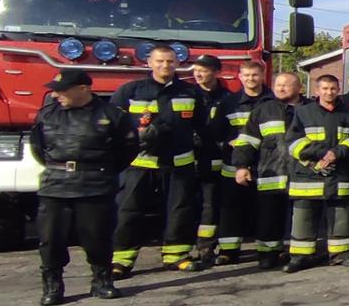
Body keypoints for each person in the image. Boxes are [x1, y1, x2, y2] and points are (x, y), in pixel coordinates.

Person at [29, 70, 139, 304]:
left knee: (97, 237)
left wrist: (100, 171)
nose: (56, 94)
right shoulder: (46, 115)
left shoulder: (111, 115)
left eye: (63, 90)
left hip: (95, 185)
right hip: (55, 185)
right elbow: (38, 149)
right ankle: (52, 285)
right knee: (51, 240)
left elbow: (127, 150)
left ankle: (101, 280)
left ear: (83, 88)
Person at [109, 45, 207, 276]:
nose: (166, 66)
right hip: (140, 163)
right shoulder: (130, 91)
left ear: (178, 64)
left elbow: (200, 128)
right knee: (129, 211)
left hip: (179, 163)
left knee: (179, 210)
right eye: (160, 61)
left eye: (170, 62)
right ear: (149, 63)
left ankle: (176, 256)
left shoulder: (190, 93)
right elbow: (114, 125)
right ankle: (121, 260)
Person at [285, 74, 349, 270]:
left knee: (340, 218)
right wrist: (321, 154)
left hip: (339, 173)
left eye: (333, 89)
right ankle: (300, 257)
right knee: (303, 218)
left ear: (338, 89)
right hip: (308, 175)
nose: (329, 92)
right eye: (325, 89)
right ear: (317, 90)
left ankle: (341, 255)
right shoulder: (303, 113)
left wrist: (337, 153)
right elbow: (293, 143)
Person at [231, 71, 305, 269]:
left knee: (302, 219)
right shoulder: (263, 110)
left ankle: (299, 255)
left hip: (303, 175)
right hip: (271, 173)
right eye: (277, 84)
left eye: (286, 85)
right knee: (268, 217)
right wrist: (241, 166)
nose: (280, 88)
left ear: (300, 88)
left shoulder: (310, 109)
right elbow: (247, 141)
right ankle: (267, 254)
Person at [209, 59, 270, 264]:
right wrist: (228, 143)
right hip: (233, 166)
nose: (251, 79)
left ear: (262, 75)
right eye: (246, 75)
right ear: (240, 77)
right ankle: (228, 250)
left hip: (266, 164)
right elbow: (215, 134)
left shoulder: (274, 101)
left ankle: (266, 251)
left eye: (255, 75)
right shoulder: (228, 103)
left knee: (265, 209)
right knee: (230, 209)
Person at [187, 55, 234, 263]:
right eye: (196, 70)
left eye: (204, 70)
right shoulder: (186, 95)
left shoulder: (227, 99)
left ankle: (205, 247)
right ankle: (178, 246)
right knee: (183, 205)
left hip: (213, 159)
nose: (198, 74)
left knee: (210, 205)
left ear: (216, 72)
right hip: (185, 159)